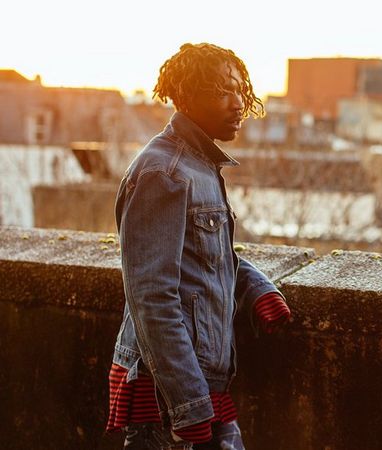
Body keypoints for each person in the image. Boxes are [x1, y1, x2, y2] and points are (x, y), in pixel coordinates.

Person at [105, 43, 291, 449]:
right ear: (188, 97)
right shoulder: (164, 172)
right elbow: (151, 295)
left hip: (201, 381)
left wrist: (256, 289)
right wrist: (188, 402)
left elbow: (207, 258)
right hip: (168, 394)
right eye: (224, 91)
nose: (238, 103)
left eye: (240, 90)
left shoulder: (197, 165)